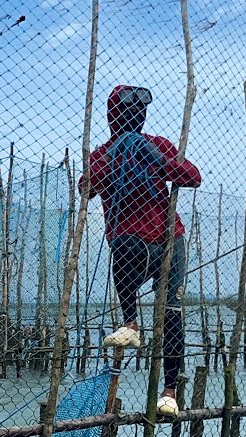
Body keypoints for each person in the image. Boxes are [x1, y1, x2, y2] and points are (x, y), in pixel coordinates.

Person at [83, 85, 203, 417]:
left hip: (169, 240)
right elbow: (86, 187)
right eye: (125, 113)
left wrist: (157, 158)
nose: (133, 118)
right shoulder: (103, 153)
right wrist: (112, 157)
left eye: (138, 113)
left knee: (172, 312)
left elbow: (193, 177)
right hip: (132, 244)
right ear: (113, 117)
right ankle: (131, 323)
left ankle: (169, 391)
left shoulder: (157, 144)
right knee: (121, 246)